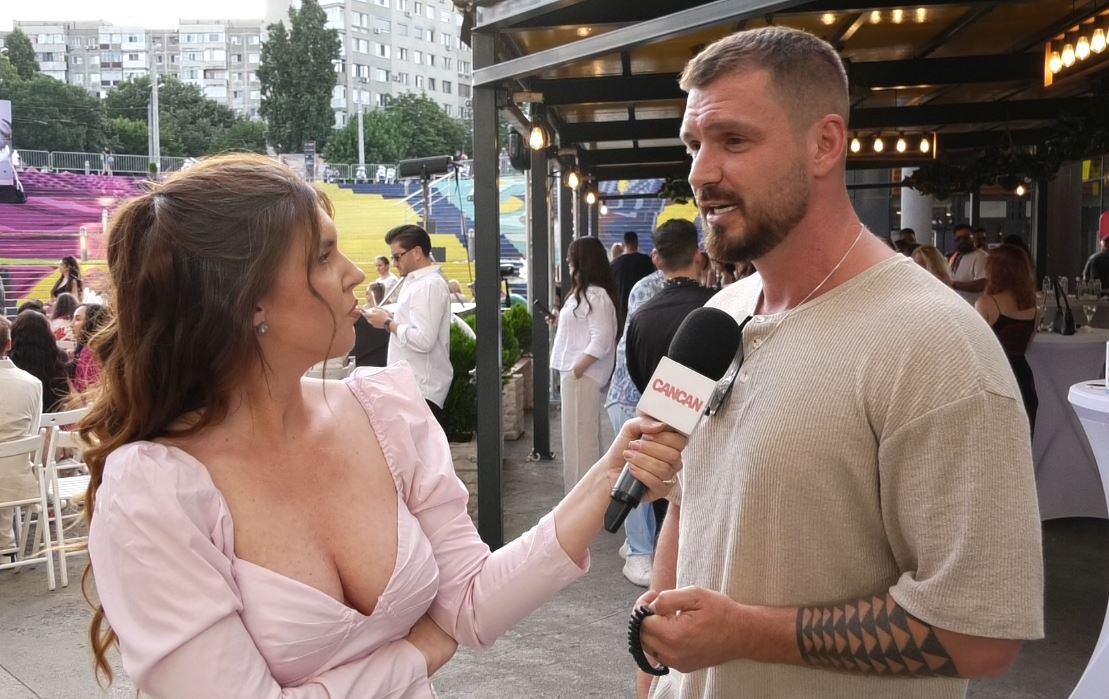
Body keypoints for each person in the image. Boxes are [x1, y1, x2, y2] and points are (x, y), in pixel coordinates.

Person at [79, 154, 686, 696]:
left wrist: (609, 473)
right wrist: (415, 657)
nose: (352, 273)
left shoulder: (383, 411)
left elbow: (472, 600)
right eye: (323, 256)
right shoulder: (152, 488)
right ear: (247, 299)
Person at [636, 27, 1043, 699]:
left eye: (733, 140)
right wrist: (650, 682)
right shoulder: (717, 315)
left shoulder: (938, 345)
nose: (700, 173)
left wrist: (745, 632)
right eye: (693, 144)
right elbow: (684, 508)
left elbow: (981, 635)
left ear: (825, 143)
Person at [623, 219, 715, 587]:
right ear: (699, 256)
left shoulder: (641, 316)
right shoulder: (722, 310)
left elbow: (636, 377)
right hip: (715, 442)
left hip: (663, 438)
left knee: (668, 519)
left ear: (657, 259)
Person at [605, 254, 665, 587]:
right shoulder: (647, 290)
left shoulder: (645, 288)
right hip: (635, 397)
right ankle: (639, 551)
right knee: (638, 474)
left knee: (646, 475)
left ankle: (638, 545)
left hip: (642, 396)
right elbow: (635, 348)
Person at [364, 225, 452, 429]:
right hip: (413, 387)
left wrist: (388, 323)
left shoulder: (428, 285)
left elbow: (424, 340)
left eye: (397, 257)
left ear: (417, 252)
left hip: (421, 389)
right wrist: (390, 318)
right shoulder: (419, 282)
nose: (395, 263)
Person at [550, 237, 618, 494]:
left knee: (579, 443)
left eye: (571, 259)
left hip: (582, 376)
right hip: (578, 374)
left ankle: (580, 502)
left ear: (582, 261)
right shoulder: (586, 294)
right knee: (580, 439)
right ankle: (584, 500)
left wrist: (579, 367)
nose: (568, 264)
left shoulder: (595, 296)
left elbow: (602, 339)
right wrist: (559, 320)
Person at [976, 245, 1039, 436]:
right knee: (1024, 439)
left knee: (996, 440)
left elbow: (978, 348)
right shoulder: (1034, 309)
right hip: (1023, 375)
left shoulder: (986, 303)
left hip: (996, 375)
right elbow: (1027, 347)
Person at [0, 316, 42, 557]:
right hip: (19, 480)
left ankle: (6, 542)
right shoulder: (32, 383)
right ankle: (5, 543)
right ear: (8, 345)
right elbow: (33, 433)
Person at [9, 310, 70, 413]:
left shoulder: (9, 358)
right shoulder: (59, 356)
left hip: (19, 414)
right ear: (48, 333)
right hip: (54, 414)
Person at [610, 231, 657, 327]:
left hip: (622, 310)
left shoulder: (615, 264)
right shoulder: (647, 261)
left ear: (624, 243)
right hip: (644, 308)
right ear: (637, 243)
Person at [70, 303, 109, 394]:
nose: (71, 324)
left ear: (91, 323)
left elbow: (89, 393)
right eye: (73, 318)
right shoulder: (93, 348)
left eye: (77, 319)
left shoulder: (91, 352)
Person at [948, 223, 988, 304]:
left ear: (973, 238)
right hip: (957, 305)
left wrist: (952, 284)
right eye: (958, 239)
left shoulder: (981, 256)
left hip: (973, 307)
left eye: (966, 238)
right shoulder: (956, 256)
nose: (962, 241)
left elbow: (982, 284)